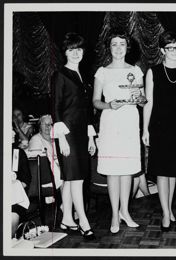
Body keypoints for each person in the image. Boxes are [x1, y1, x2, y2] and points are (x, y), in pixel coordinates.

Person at [93, 28, 144, 234]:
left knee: (128, 171)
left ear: (127, 47)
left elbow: (142, 101)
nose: (118, 48)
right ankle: (115, 214)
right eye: (114, 44)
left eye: (122, 44)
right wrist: (109, 105)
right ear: (109, 48)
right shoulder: (102, 72)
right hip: (111, 124)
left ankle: (125, 211)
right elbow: (96, 102)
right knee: (114, 171)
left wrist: (138, 96)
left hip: (130, 123)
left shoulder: (136, 71)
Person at [142, 31, 176, 232]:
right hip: (159, 127)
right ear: (163, 50)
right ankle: (165, 213)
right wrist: (145, 129)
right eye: (170, 48)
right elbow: (149, 102)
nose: (175, 51)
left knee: (173, 173)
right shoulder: (153, 72)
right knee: (163, 173)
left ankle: (169, 209)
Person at [52, 32, 96, 240]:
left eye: (79, 49)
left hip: (80, 133)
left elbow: (86, 110)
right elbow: (56, 109)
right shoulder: (60, 75)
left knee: (70, 180)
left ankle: (67, 218)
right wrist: (61, 138)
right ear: (65, 53)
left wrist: (90, 136)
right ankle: (83, 222)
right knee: (76, 179)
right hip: (67, 134)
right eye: (71, 50)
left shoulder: (82, 75)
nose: (76, 53)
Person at [28, 115, 63, 201]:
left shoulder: (57, 139)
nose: (48, 126)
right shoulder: (36, 139)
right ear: (40, 126)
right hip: (45, 177)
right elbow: (36, 162)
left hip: (58, 171)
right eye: (45, 124)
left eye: (50, 124)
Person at [11, 130, 32, 238]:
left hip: (15, 200)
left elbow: (26, 179)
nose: (14, 133)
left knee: (12, 216)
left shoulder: (17, 153)